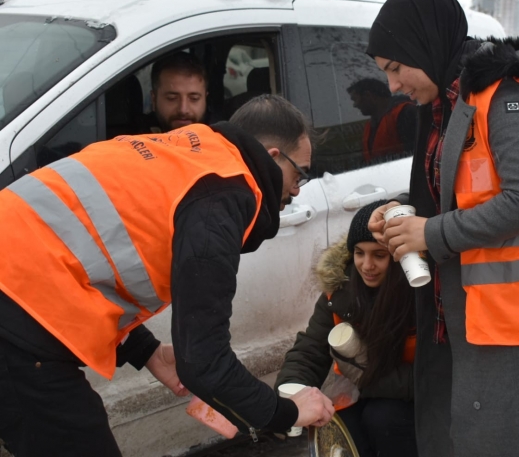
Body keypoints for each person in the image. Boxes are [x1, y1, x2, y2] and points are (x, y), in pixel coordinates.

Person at [0, 94, 334, 456]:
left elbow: (87, 259)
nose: (298, 189)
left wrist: (148, 351)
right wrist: (286, 413)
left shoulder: (186, 155)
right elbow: (203, 362)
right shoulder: (221, 195)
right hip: (16, 321)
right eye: (299, 173)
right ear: (272, 157)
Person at [365, 0, 519, 457]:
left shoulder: (508, 95)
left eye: (395, 68)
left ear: (425, 45)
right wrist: (400, 212)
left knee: (512, 439)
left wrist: (430, 233)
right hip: (467, 305)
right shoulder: (442, 103)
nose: (392, 85)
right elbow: (454, 190)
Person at [275, 200, 418, 457]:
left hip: (412, 396)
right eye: (359, 253)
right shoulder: (340, 291)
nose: (366, 265)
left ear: (399, 256)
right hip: (360, 391)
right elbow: (310, 350)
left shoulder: (420, 294)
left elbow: (432, 375)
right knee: (335, 424)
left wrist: (368, 378)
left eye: (379, 255)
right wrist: (291, 395)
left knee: (383, 420)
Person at [346, 78, 416, 162]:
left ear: (368, 96)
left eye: (355, 99)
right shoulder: (370, 126)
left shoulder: (405, 113)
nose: (355, 105)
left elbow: (418, 154)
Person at [147, 51, 209, 133]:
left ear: (205, 99)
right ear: (154, 100)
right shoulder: (131, 138)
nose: (183, 110)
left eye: (194, 98)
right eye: (172, 98)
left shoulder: (222, 139)